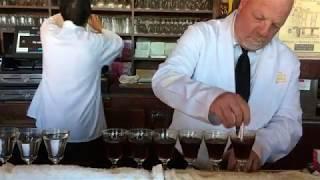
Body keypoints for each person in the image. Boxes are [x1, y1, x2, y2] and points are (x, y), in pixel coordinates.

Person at [152, 0, 302, 171]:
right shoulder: (201, 35)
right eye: (259, 18)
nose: (264, 31)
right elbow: (165, 78)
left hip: (247, 169)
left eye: (275, 25)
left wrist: (261, 146)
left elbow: (289, 121)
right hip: (184, 163)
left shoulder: (287, 61)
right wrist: (210, 99)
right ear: (243, 3)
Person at [27, 0, 123, 167]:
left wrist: (69, 13)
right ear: (88, 16)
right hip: (85, 130)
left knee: (52, 174)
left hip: (50, 127)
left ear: (62, 14)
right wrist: (98, 27)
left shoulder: (49, 33)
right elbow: (118, 42)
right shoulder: (96, 42)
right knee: (87, 173)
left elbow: (51, 20)